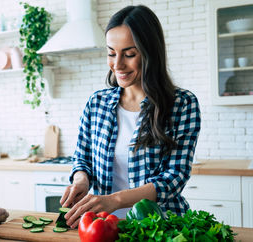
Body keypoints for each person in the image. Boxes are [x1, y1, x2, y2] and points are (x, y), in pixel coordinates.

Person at [60, 5, 201, 229]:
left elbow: (174, 178)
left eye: (129, 54)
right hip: (104, 227)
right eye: (111, 53)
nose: (117, 65)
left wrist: (113, 200)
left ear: (150, 52)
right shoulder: (97, 103)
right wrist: (81, 180)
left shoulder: (182, 104)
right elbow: (82, 158)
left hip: (161, 227)